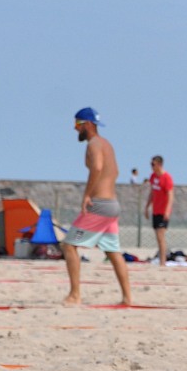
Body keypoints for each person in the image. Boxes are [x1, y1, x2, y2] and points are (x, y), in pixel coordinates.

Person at [62, 107, 132, 306]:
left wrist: (87, 195)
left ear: (88, 124)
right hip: (112, 205)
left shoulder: (93, 144)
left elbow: (98, 167)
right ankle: (127, 297)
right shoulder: (106, 144)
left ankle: (75, 295)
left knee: (68, 245)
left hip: (99, 205)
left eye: (77, 124)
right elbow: (115, 171)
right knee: (112, 251)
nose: (75, 128)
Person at [145, 155, 175, 266]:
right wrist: (147, 207)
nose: (151, 166)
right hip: (155, 211)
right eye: (151, 164)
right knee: (158, 237)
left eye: (153, 164)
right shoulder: (153, 177)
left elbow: (170, 196)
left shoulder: (167, 177)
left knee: (160, 236)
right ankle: (162, 259)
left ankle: (163, 261)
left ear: (159, 164)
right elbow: (152, 193)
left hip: (163, 211)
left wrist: (167, 211)